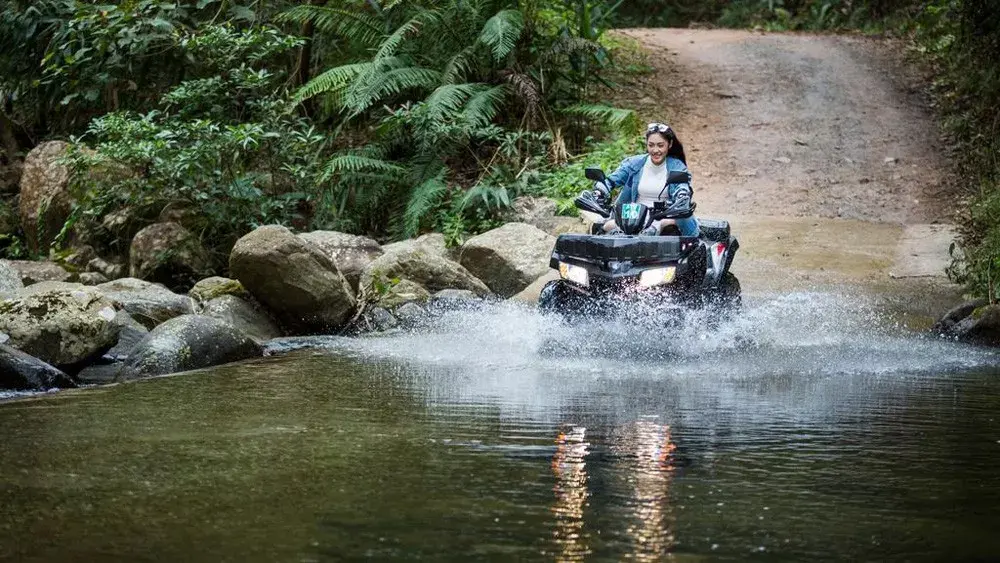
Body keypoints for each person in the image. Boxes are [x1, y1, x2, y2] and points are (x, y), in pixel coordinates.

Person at [595, 122, 698, 236]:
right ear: (646, 144)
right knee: (606, 227)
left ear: (669, 144)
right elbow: (610, 181)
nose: (655, 150)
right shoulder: (634, 163)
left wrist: (682, 196)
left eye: (660, 145)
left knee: (668, 225)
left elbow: (682, 186)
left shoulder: (677, 166)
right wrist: (599, 191)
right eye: (651, 145)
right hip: (633, 218)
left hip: (664, 217)